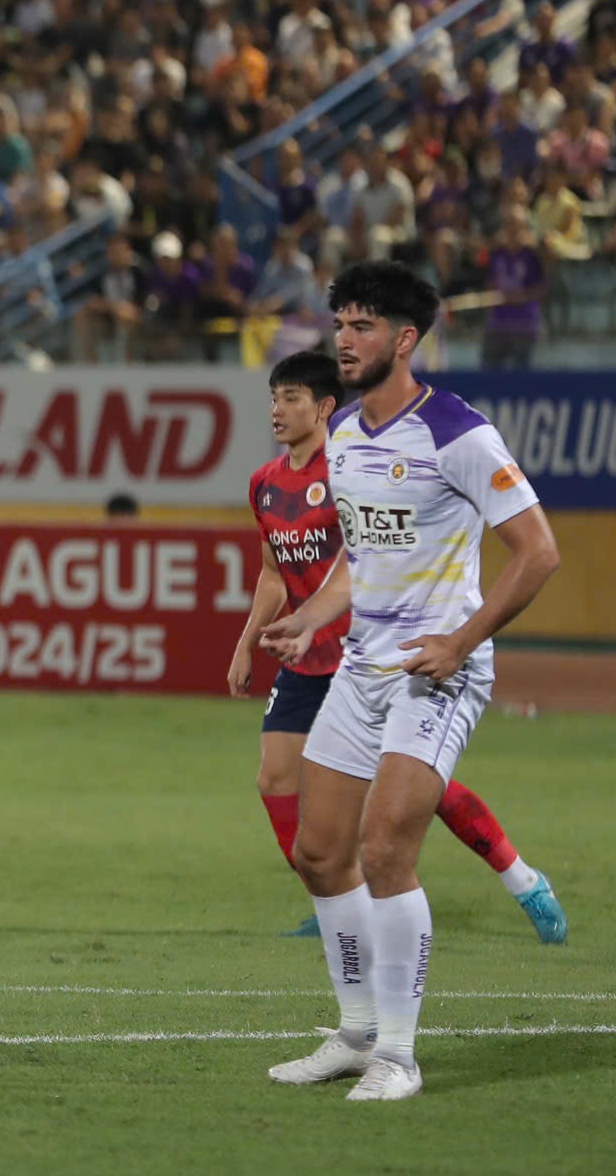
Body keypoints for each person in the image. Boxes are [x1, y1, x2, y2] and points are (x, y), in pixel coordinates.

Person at [257, 265, 563, 1101]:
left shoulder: (460, 434)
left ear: (403, 340)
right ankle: (355, 1033)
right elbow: (363, 559)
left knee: (387, 847)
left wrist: (461, 642)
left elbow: (537, 553)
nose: (343, 339)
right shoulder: (347, 433)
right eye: (339, 323)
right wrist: (311, 616)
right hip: (360, 665)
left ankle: (399, 1053)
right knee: (320, 854)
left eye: (361, 326)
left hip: (439, 673)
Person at [228, 351, 566, 943]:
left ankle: (522, 879)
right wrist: (248, 639)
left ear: (324, 407)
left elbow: (376, 556)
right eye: (274, 398)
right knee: (275, 778)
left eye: (292, 398)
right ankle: (333, 897)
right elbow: (275, 573)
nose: (277, 410)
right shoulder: (264, 483)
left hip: (372, 653)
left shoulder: (355, 463)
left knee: (414, 795)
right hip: (310, 657)